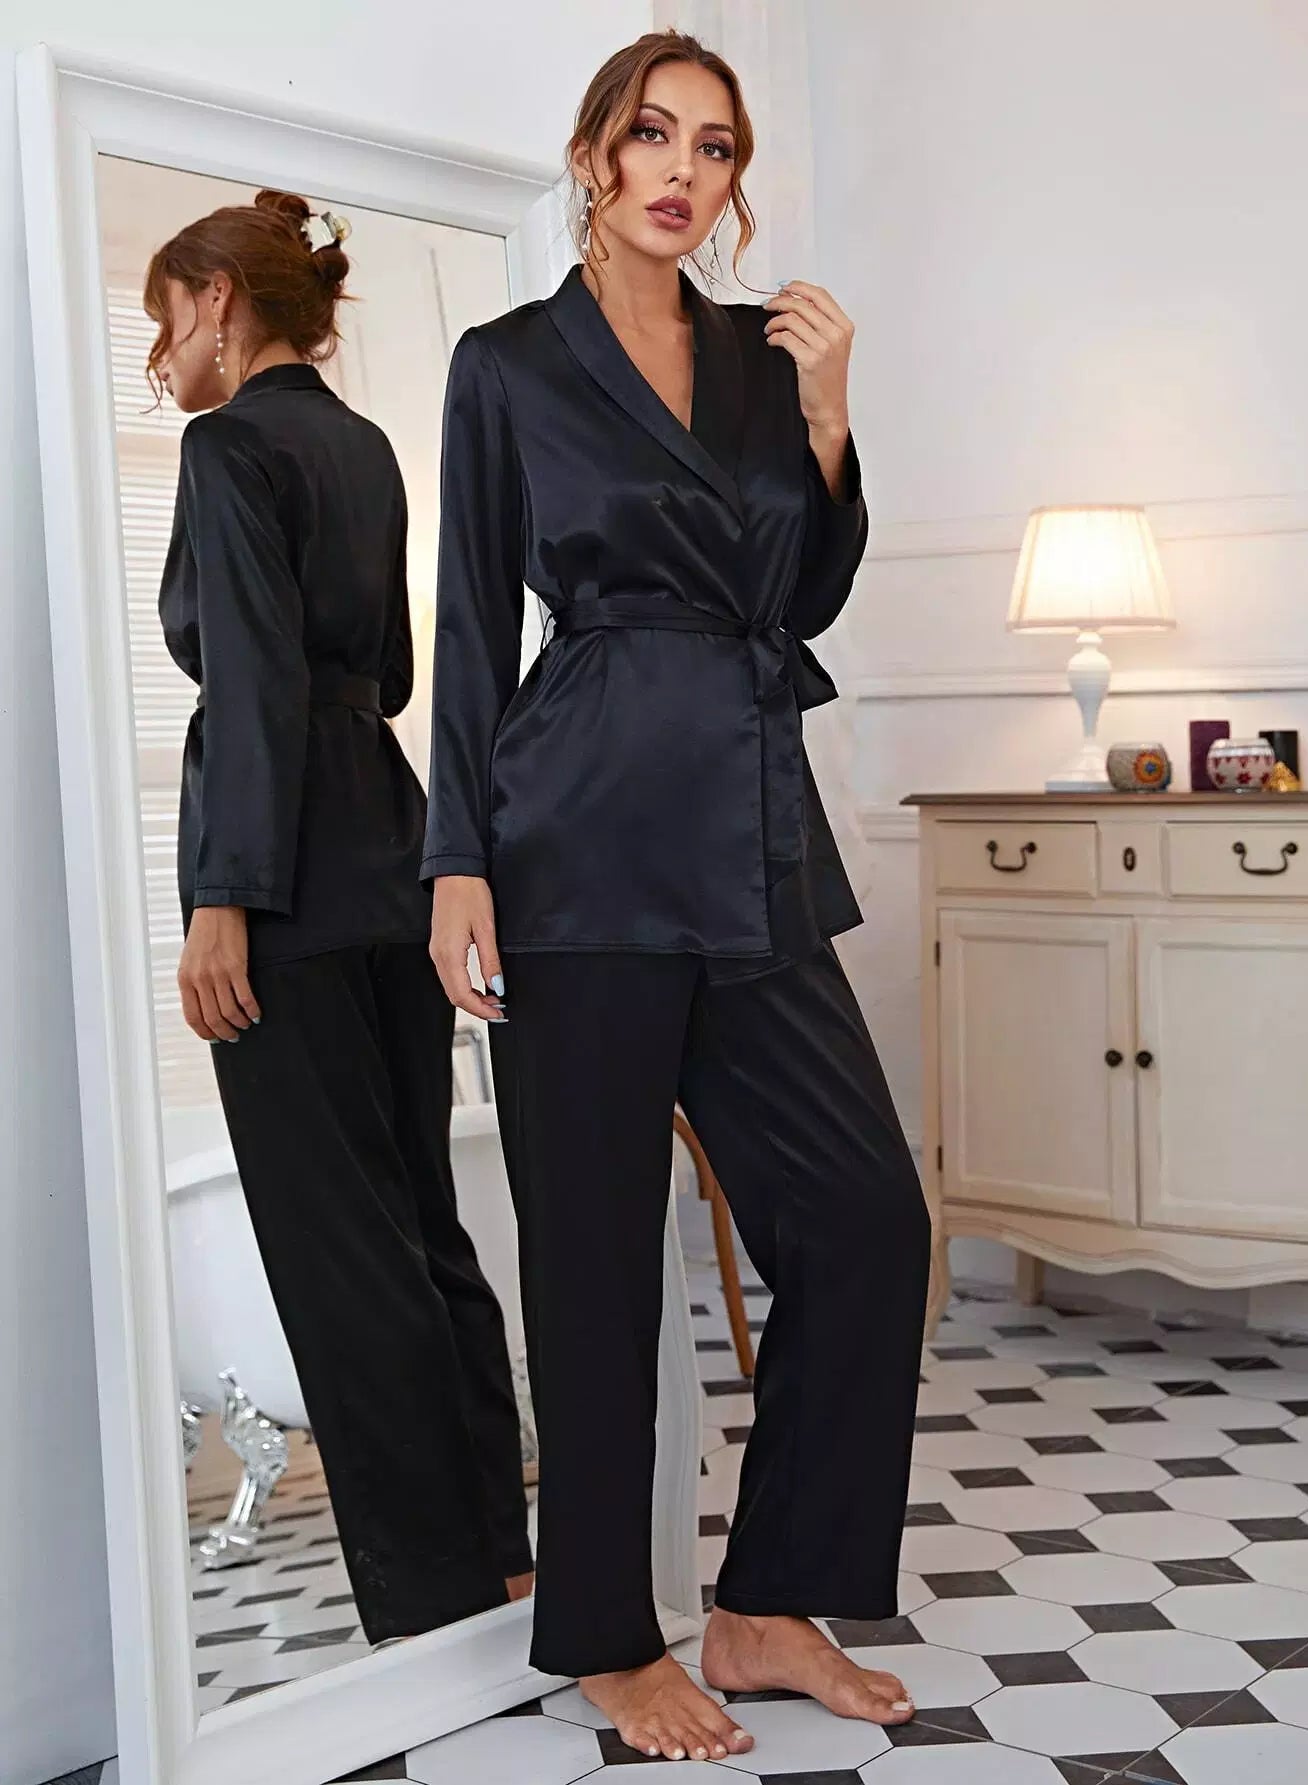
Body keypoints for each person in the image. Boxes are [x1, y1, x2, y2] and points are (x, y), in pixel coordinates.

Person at [424, 29, 932, 1765]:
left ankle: (767, 1601)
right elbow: (470, 622)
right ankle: (606, 1636)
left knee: (866, 1219)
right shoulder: (507, 364)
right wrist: (458, 858)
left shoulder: (757, 356)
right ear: (594, 154)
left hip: (752, 830)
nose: (683, 171)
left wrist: (833, 419)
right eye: (653, 134)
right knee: (590, 1260)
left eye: (714, 148)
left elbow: (803, 590)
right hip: (572, 844)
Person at [148, 188, 533, 1644]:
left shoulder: (227, 446)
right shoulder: (366, 445)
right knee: (423, 1226)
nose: (160, 354)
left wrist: (223, 899)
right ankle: (502, 1564)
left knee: (341, 1252)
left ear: (218, 300)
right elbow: (389, 673)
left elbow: (251, 675)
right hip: (391, 850)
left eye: (163, 318)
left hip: (290, 881)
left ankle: (432, 1608)